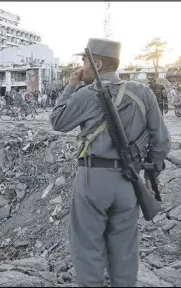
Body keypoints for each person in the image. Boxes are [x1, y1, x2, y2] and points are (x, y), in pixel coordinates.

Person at [49, 38, 170, 287]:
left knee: (88, 249)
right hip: (129, 181)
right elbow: (161, 140)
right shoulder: (142, 92)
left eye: (84, 61)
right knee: (125, 251)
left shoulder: (86, 93)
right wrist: (151, 174)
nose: (81, 67)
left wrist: (70, 86)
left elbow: (57, 121)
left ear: (98, 63)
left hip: (93, 179)